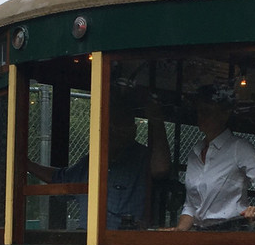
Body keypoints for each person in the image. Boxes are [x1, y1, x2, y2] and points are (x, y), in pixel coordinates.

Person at [27, 98, 169, 230]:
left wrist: (156, 120)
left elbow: (161, 169)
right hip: (85, 239)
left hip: (121, 242)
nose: (116, 131)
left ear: (133, 129)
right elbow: (60, 178)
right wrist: (27, 164)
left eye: (123, 124)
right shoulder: (92, 160)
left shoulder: (142, 157)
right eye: (111, 124)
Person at [174, 84, 255, 232]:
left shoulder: (240, 148)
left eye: (207, 112)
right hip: (199, 234)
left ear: (224, 114)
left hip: (232, 232)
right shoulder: (195, 152)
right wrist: (178, 234)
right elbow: (190, 206)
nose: (201, 117)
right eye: (199, 112)